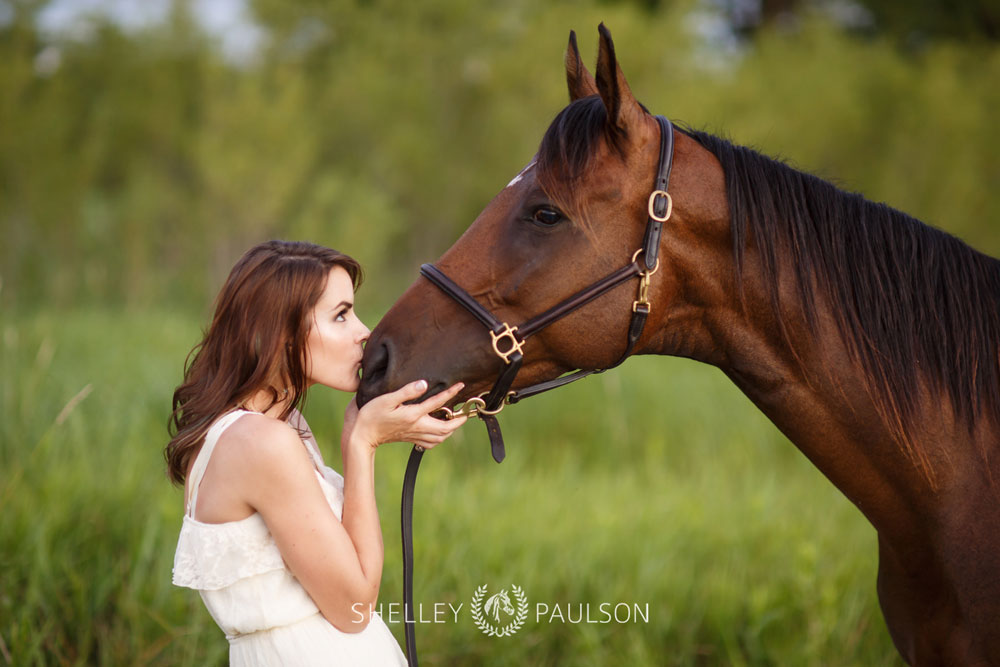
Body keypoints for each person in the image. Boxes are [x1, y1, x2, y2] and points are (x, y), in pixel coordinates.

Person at [166, 240, 466, 665]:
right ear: (279, 332)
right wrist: (362, 445)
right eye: (340, 315)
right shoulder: (262, 443)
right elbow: (354, 607)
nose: (363, 331)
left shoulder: (269, 428)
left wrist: (353, 429)